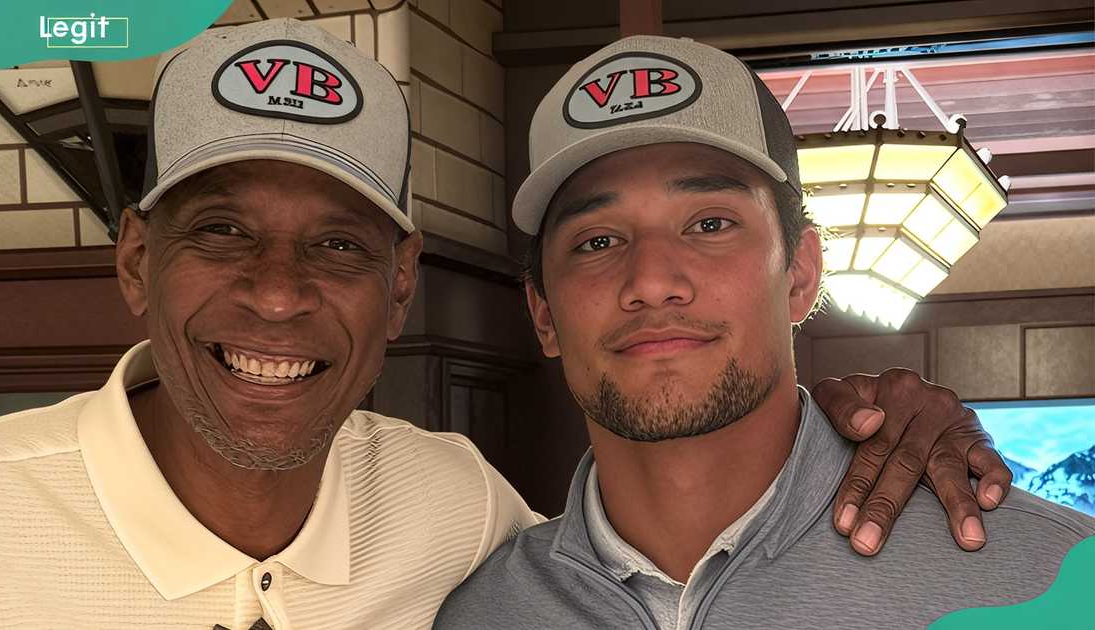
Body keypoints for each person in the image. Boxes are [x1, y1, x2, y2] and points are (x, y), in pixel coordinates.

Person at [0, 20, 1019, 630]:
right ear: (134, 260)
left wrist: (866, 422)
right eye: (221, 230)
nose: (280, 293)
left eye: (338, 244)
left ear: (400, 285)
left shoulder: (455, 511)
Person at [433, 35, 1095, 630]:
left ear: (800, 274)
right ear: (544, 314)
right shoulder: (482, 614)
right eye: (597, 241)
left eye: (710, 224)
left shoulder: (1060, 578)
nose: (653, 280)